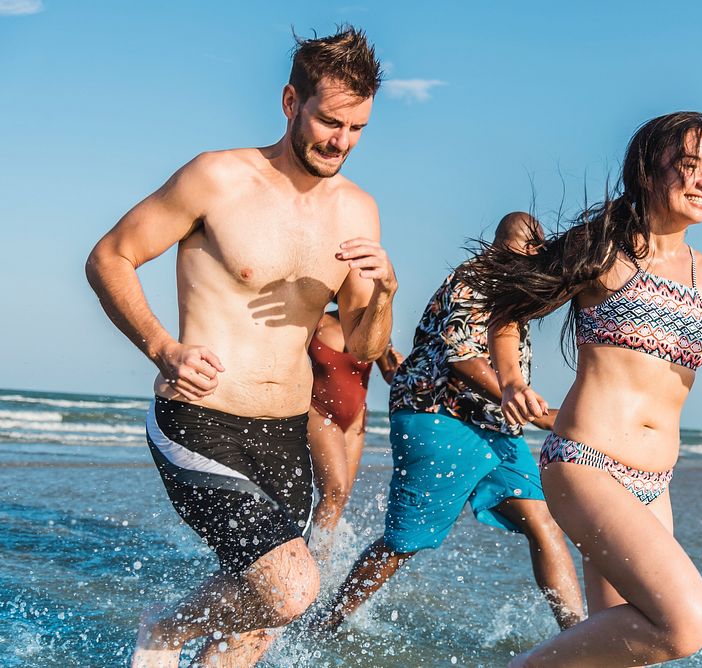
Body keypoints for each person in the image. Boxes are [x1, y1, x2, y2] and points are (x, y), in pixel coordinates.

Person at [458, 112, 702, 666]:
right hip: (586, 464)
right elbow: (508, 308)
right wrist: (512, 380)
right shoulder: (602, 252)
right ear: (647, 171)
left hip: (654, 484)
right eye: (688, 165)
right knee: (688, 620)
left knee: (625, 652)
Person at [85, 27, 396, 668]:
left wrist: (386, 292)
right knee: (291, 588)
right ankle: (166, 629)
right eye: (329, 121)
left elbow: (364, 346)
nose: (341, 141)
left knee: (254, 630)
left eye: (357, 128)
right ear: (290, 103)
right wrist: (162, 348)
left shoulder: (358, 210)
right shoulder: (217, 177)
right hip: (199, 420)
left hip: (285, 435)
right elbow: (109, 256)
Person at [319, 213, 585, 633]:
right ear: (515, 246)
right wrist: (529, 407)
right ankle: (323, 625)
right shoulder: (477, 279)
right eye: (534, 248)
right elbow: (461, 358)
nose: (538, 257)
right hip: (439, 417)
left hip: (495, 426)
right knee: (404, 542)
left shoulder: (511, 288)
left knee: (543, 523)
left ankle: (577, 636)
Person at [308, 307, 403, 537]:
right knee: (335, 491)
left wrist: (400, 369)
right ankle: (310, 552)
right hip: (317, 412)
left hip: (354, 422)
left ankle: (320, 554)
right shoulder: (318, 320)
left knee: (339, 499)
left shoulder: (373, 328)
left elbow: (391, 375)